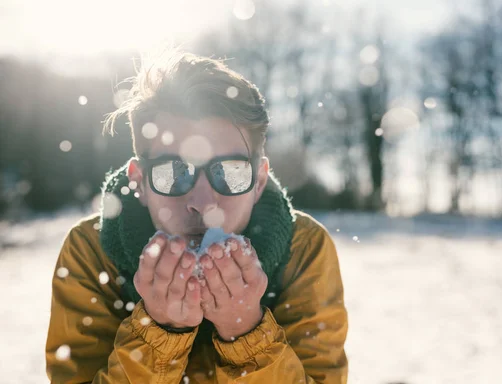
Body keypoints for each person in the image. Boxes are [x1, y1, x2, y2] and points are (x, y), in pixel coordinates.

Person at [45, 50, 348, 383]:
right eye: (173, 172)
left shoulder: (303, 250)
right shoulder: (92, 252)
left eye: (231, 172)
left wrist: (245, 332)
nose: (203, 204)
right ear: (140, 183)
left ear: (258, 182)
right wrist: (158, 334)